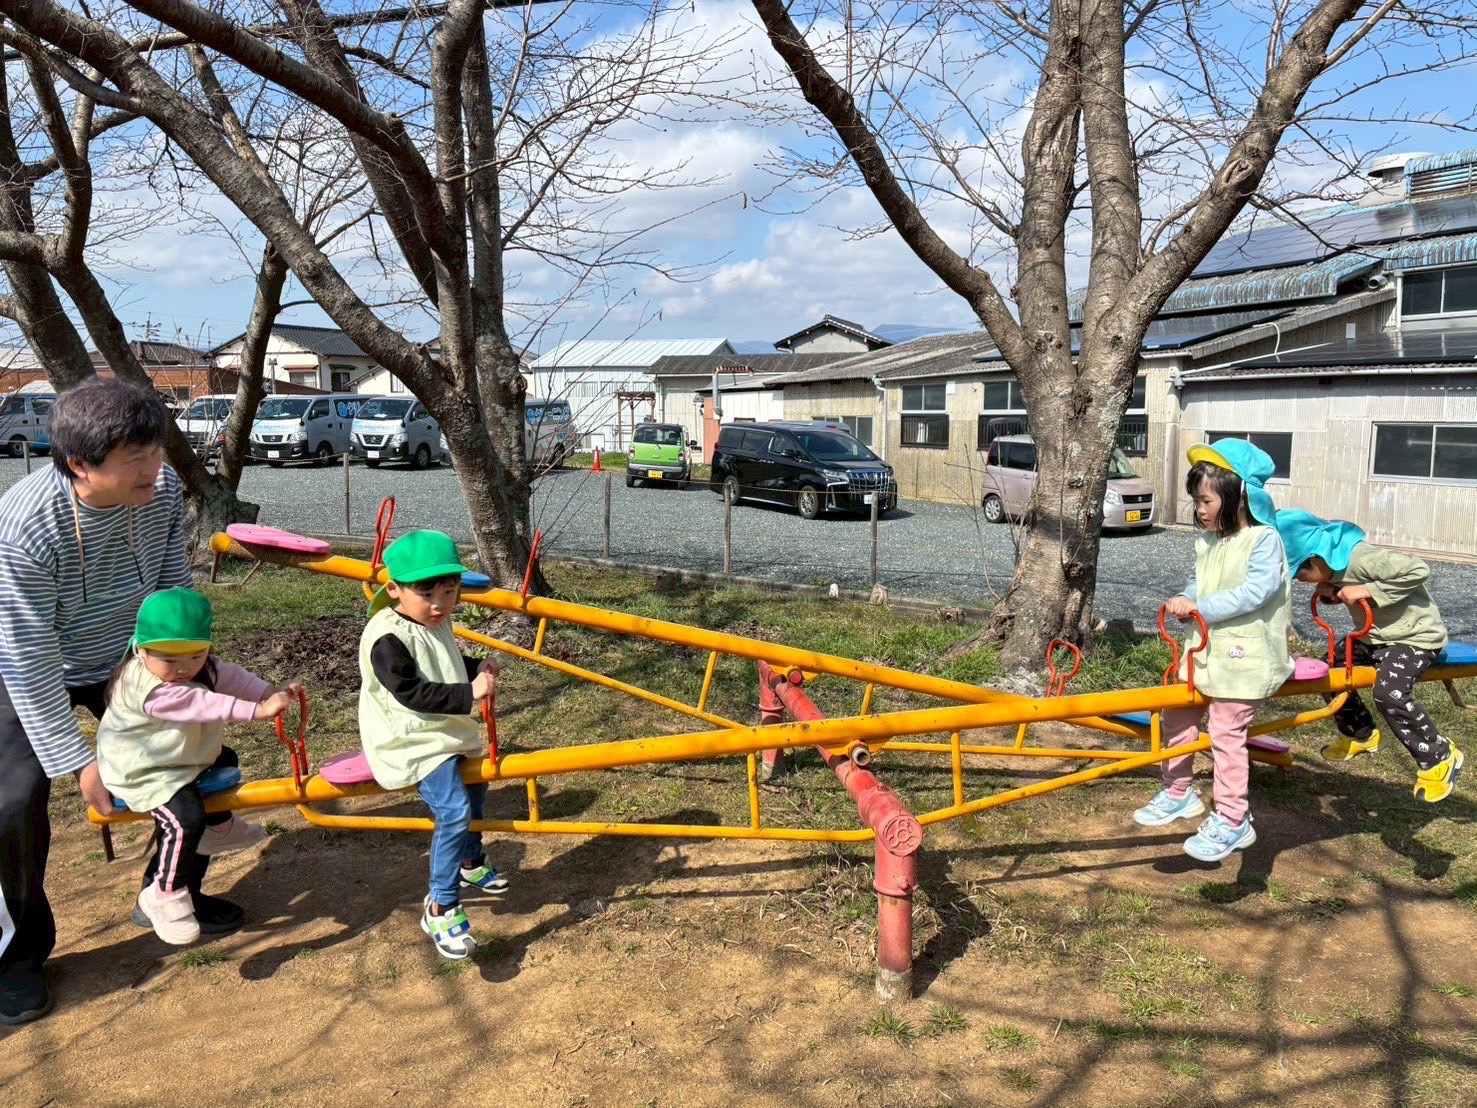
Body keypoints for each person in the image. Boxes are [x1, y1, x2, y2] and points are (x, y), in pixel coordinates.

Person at [0, 378, 197, 1025]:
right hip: (25, 663)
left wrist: (177, 667)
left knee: (192, 748)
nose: (154, 467)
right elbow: (26, 655)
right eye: (136, 457)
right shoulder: (25, 526)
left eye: (156, 450)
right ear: (79, 464)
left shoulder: (160, 491)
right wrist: (79, 761)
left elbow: (171, 584)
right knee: (10, 804)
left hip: (123, 655)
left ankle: (169, 888)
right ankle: (15, 956)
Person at [96, 588, 302, 944]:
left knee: (226, 760)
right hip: (144, 770)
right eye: (169, 659)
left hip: (179, 757)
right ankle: (164, 896)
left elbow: (231, 677)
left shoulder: (199, 666)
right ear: (140, 650)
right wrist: (258, 711)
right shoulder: (144, 684)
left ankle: (219, 829)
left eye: (196, 655)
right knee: (184, 820)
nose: (184, 668)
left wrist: (270, 693)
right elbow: (198, 703)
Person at [1133, 439, 1294, 862]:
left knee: (1225, 733)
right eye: (1196, 501)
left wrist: (1201, 607)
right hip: (1204, 653)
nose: (1200, 510)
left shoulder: (1263, 540)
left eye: (1206, 500)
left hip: (1245, 659)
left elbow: (1257, 592)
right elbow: (1197, 582)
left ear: (1238, 497)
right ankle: (1178, 790)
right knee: (1176, 717)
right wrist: (1185, 599)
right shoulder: (1208, 540)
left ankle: (1233, 818)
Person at [358, 530, 509, 961]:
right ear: (394, 590)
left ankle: (469, 862)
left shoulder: (431, 620)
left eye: (450, 591)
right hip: (409, 738)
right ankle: (441, 905)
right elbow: (411, 691)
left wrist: (475, 666)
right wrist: (469, 693)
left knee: (476, 791)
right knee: (454, 809)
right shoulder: (386, 638)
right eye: (427, 594)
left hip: (443, 729)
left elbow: (441, 662)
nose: (440, 604)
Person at [1276, 508, 1464, 802]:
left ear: (1316, 558)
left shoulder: (1363, 558)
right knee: (1328, 668)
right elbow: (1348, 588)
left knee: (1389, 693)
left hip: (1415, 637)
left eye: (1299, 572)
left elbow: (1418, 570)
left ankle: (1439, 757)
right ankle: (1360, 734)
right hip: (1374, 637)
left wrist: (1367, 589)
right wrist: (1333, 590)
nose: (1299, 580)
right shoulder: (1332, 566)